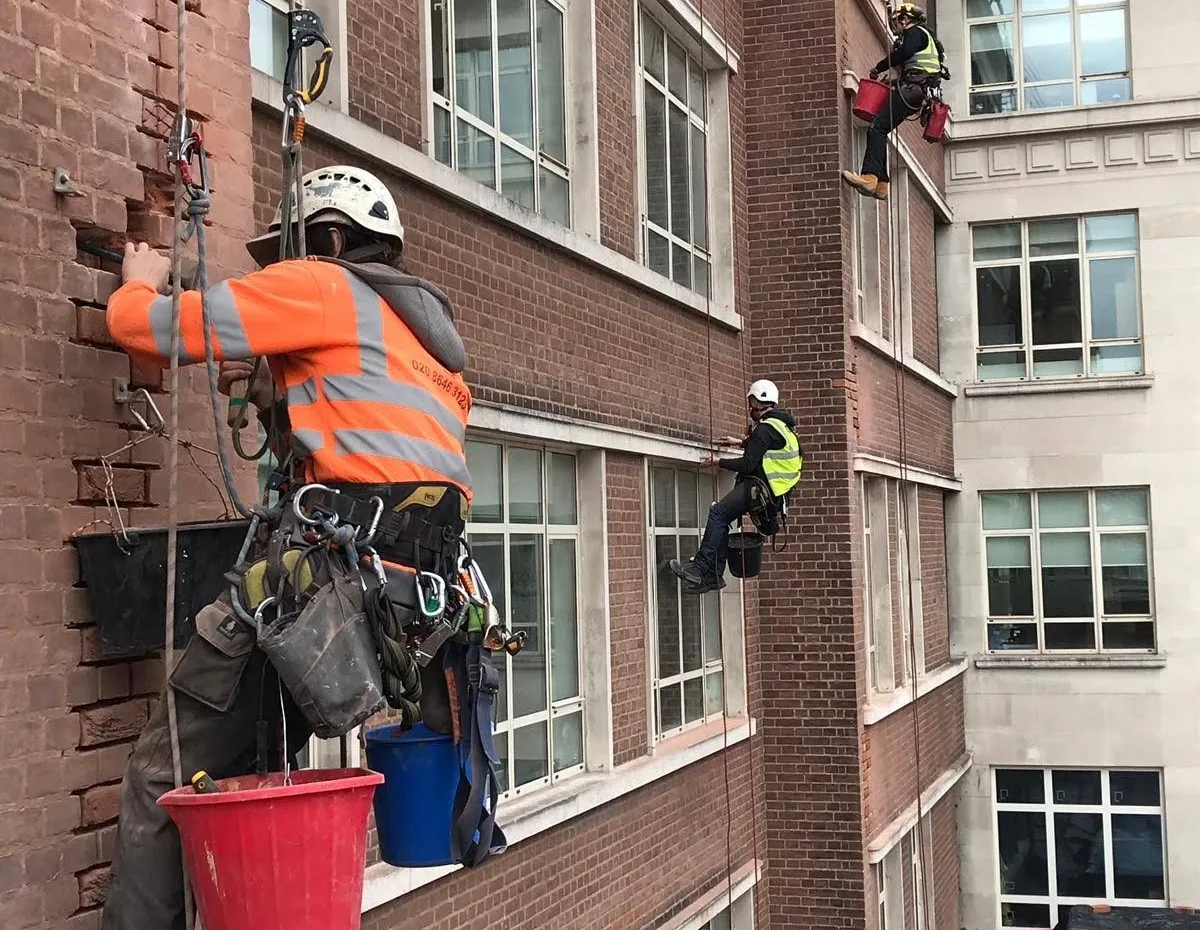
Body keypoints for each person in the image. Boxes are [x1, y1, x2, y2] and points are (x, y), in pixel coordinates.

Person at [100, 165, 475, 930]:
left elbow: (156, 330)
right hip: (399, 610)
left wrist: (139, 284)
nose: (285, 270)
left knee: (159, 776)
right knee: (249, 766)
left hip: (324, 591)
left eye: (294, 251)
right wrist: (283, 387)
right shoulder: (433, 355)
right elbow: (366, 447)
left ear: (331, 239)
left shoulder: (325, 285)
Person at [669, 380, 802, 593]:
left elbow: (748, 463)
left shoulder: (766, 428)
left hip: (759, 488)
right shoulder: (783, 426)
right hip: (774, 493)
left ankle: (701, 568)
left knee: (718, 514)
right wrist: (740, 442)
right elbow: (765, 445)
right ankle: (712, 575)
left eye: (752, 404)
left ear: (760, 403)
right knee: (722, 517)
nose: (751, 410)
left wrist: (717, 461)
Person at [841, 2, 947, 201]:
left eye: (896, 22)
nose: (895, 28)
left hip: (911, 90)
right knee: (882, 129)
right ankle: (882, 184)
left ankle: (869, 177)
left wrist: (879, 67)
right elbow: (916, 68)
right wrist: (893, 80)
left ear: (905, 19)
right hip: (916, 91)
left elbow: (903, 53)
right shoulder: (927, 39)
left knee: (877, 128)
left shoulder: (915, 33)